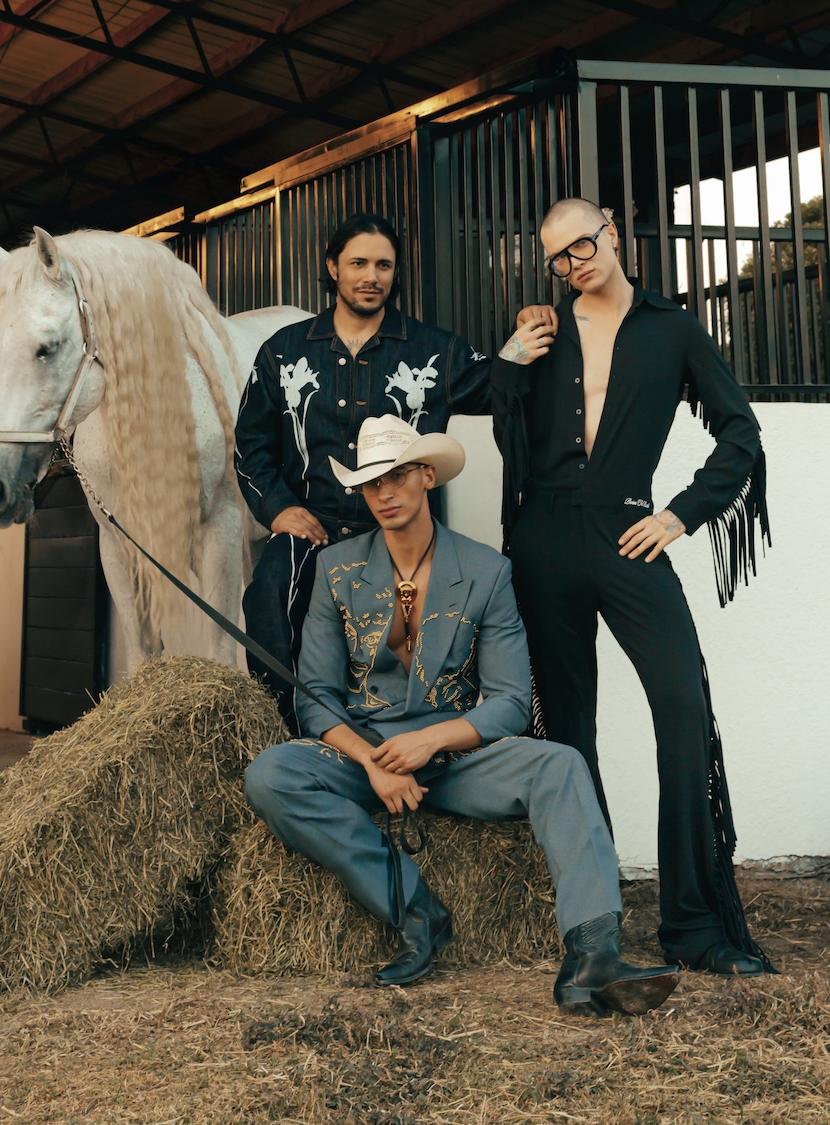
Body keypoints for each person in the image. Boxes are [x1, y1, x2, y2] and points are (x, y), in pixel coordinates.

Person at [245, 414, 680, 1017]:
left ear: (427, 475)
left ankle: (593, 956)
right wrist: (372, 762)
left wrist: (430, 742)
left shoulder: (486, 571)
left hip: (454, 757)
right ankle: (416, 909)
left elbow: (509, 700)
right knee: (271, 774)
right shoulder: (336, 568)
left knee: (559, 765)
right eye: (371, 483)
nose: (385, 493)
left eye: (397, 476)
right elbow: (314, 695)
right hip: (367, 752)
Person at [491, 197, 773, 978]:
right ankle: (595, 920)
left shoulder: (672, 328)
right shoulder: (543, 330)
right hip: (544, 537)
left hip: (626, 531)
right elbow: (496, 417)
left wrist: (680, 514)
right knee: (567, 729)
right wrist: (511, 357)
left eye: (582, 245)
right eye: (557, 257)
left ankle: (693, 924)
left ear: (612, 231)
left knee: (682, 702)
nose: (573, 264)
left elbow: (740, 431)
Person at [234, 212, 493, 727]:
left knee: (418, 643)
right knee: (269, 592)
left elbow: (503, 387)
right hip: (313, 528)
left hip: (398, 532)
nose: (371, 276)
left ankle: (410, 743)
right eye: (358, 263)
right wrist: (279, 509)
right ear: (333, 267)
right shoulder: (283, 351)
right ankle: (288, 735)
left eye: (383, 265)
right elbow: (251, 442)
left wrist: (530, 337)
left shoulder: (435, 350)